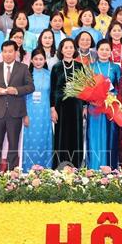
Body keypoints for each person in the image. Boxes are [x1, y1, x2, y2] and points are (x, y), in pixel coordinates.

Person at [0, 41, 34, 171]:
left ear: (16, 52)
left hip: (15, 112)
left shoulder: (23, 68)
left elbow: (31, 87)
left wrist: (17, 90)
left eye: (10, 51)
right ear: (2, 53)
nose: (7, 54)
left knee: (13, 145)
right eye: (5, 51)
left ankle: (12, 174)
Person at [50, 39, 85, 168]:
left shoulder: (80, 66)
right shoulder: (56, 67)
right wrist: (52, 108)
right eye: (66, 47)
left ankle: (76, 166)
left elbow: (85, 88)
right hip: (61, 107)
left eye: (71, 47)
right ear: (62, 50)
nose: (69, 50)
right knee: (61, 136)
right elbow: (53, 89)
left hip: (76, 106)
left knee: (76, 135)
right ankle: (61, 166)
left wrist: (85, 106)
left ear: (74, 49)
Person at [88, 40, 122, 169]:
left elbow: (121, 87)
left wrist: (113, 95)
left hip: (110, 107)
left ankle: (110, 168)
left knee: (110, 136)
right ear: (97, 51)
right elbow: (85, 87)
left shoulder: (115, 68)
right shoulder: (91, 67)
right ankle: (94, 168)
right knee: (94, 136)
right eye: (102, 49)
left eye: (107, 49)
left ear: (111, 52)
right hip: (94, 106)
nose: (104, 52)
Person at [22, 49, 53, 170]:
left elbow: (52, 95)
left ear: (45, 60)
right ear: (31, 60)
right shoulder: (26, 74)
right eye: (35, 59)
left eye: (41, 59)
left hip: (44, 114)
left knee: (44, 141)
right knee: (29, 141)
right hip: (30, 113)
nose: (38, 62)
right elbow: (22, 97)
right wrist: (24, 114)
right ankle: (27, 169)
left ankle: (45, 170)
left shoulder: (49, 74)